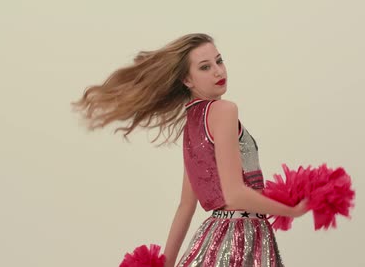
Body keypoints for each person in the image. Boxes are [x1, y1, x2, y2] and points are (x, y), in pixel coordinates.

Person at [72, 33, 308, 267]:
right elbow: (234, 194)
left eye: (219, 60)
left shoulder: (193, 122)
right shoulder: (224, 110)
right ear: (187, 80)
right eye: (205, 67)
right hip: (241, 239)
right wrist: (291, 210)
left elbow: (186, 205)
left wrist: (165, 264)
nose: (218, 71)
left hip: (214, 237)